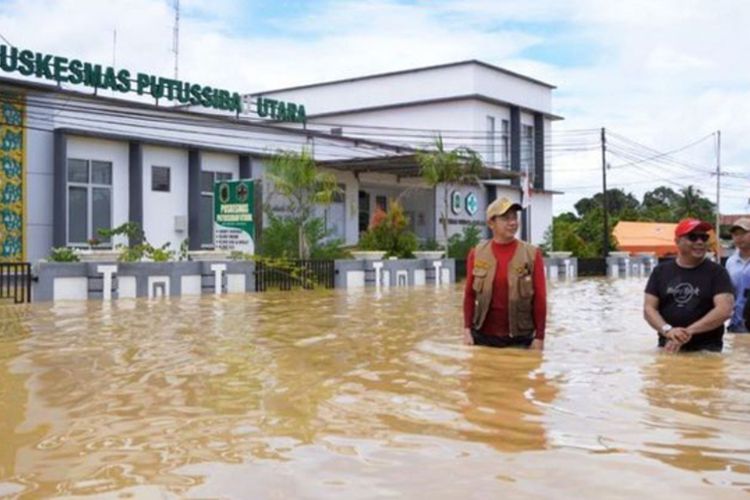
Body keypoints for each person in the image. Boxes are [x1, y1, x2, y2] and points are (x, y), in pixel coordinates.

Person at [463, 197, 546, 350]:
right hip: (482, 337)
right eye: (506, 218)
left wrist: (539, 337)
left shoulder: (532, 254)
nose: (513, 222)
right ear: (491, 223)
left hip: (520, 339)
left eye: (514, 217)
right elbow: (469, 294)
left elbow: (540, 298)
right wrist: (467, 330)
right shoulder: (477, 254)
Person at [643, 218, 734, 353]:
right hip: (667, 347)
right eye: (693, 237)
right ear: (677, 241)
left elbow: (724, 310)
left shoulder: (717, 272)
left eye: (704, 238)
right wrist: (668, 330)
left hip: (707, 350)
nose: (699, 242)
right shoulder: (660, 272)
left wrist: (687, 332)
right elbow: (649, 309)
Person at [726, 217, 750, 333]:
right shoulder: (730, 262)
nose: (739, 237)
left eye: (743, 233)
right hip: (737, 322)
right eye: (735, 234)